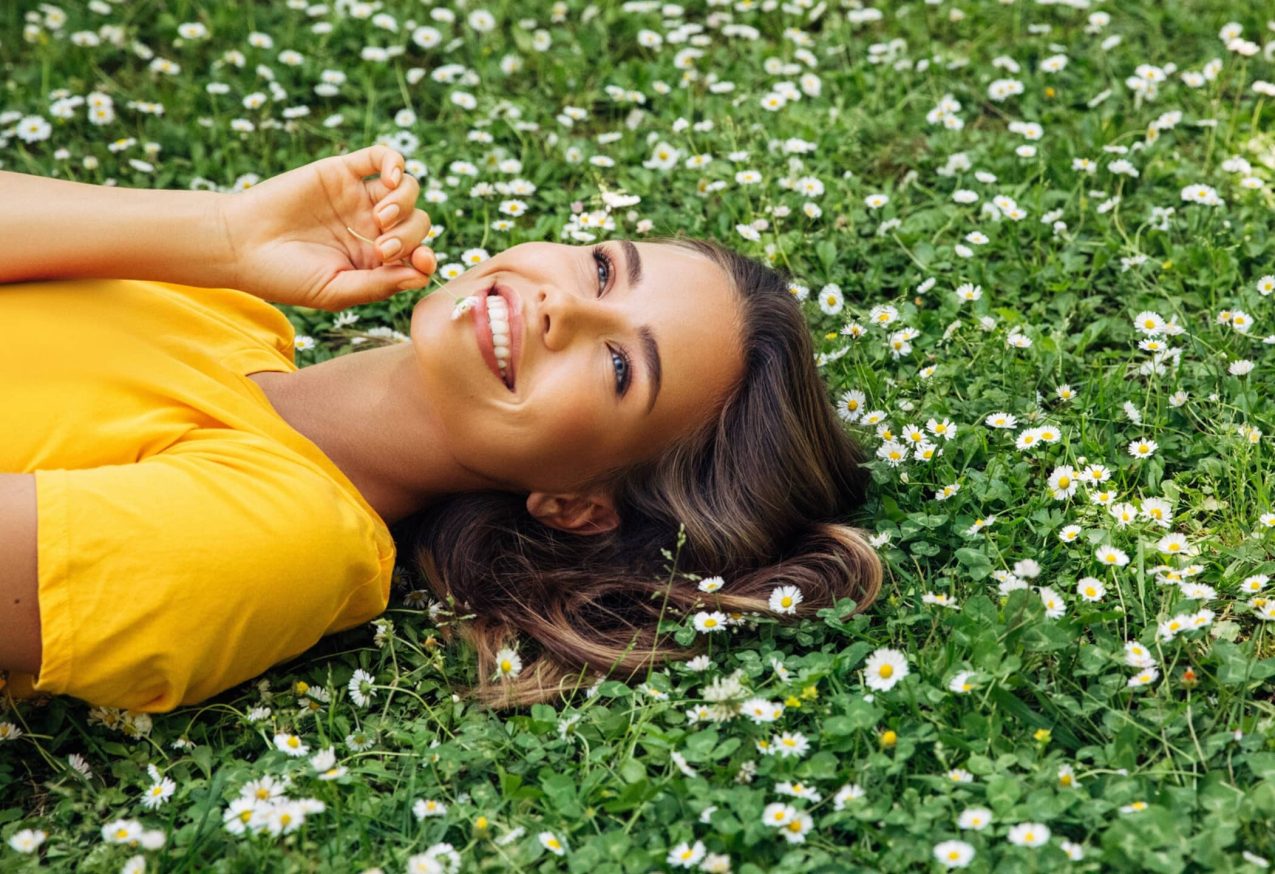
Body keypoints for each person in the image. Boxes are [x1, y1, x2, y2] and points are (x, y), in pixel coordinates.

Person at [0, 145, 881, 713]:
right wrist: (223, 231)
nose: (560, 305)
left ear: (577, 506)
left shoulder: (278, 542)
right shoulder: (223, 309)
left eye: (619, 369)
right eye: (605, 270)